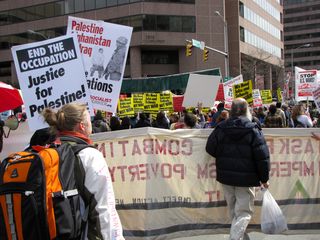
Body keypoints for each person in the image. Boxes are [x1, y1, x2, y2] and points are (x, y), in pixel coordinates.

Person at [41, 103, 124, 240]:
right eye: (89, 120)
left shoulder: (47, 152)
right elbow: (104, 210)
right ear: (82, 126)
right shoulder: (90, 156)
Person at [205, 98, 270, 240]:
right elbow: (262, 157)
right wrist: (264, 179)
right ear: (246, 110)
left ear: (232, 110)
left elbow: (210, 148)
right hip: (246, 179)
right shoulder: (253, 129)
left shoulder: (221, 128)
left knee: (235, 211)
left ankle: (239, 237)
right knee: (244, 212)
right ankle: (235, 238)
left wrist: (223, 157)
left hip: (226, 177)